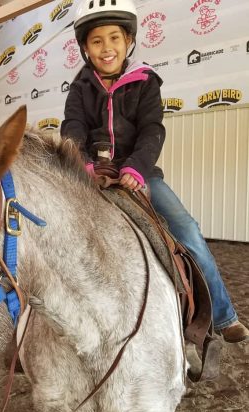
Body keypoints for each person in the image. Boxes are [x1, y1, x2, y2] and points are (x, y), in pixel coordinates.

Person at [61, 0, 249, 343]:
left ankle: (222, 315)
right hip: (90, 173)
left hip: (141, 173)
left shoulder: (145, 81)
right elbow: (73, 128)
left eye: (114, 38)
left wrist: (137, 166)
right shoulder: (79, 89)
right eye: (97, 41)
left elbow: (152, 130)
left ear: (128, 40)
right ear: (85, 47)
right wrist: (82, 164)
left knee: (187, 230)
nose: (107, 48)